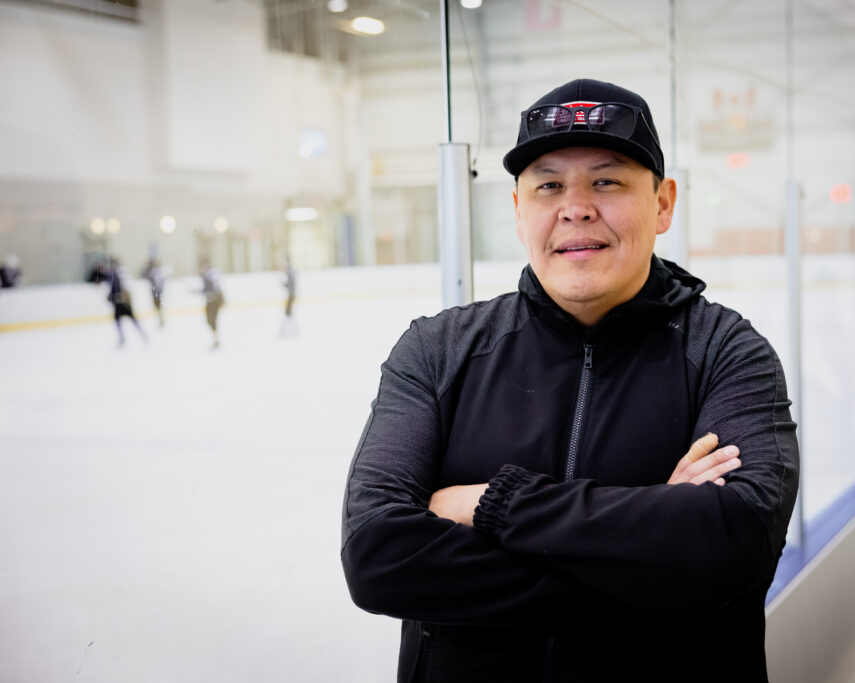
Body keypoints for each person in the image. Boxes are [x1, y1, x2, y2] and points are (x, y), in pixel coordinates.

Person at [341, 79, 800, 682]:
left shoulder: (728, 353)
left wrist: (491, 504)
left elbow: (733, 544)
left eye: (607, 181)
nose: (576, 206)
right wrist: (652, 553)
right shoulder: (437, 350)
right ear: (517, 210)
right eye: (549, 185)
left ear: (663, 203)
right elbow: (379, 557)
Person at [107, 258, 147, 347]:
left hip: (123, 303)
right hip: (120, 303)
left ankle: (141, 335)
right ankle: (124, 337)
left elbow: (125, 289)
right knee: (119, 320)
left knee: (130, 320)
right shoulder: (116, 274)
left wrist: (117, 297)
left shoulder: (119, 274)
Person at [199, 260, 224, 348]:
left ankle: (216, 340)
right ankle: (215, 339)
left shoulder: (207, 276)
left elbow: (209, 290)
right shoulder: (211, 275)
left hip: (212, 302)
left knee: (211, 321)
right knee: (211, 321)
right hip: (213, 302)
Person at [141, 257, 167, 328]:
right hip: (156, 292)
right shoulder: (157, 271)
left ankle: (161, 320)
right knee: (158, 307)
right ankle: (161, 319)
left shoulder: (155, 272)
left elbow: (157, 282)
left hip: (156, 293)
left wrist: (157, 292)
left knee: (158, 307)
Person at [280, 256, 297, 336]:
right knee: (288, 312)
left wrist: (284, 284)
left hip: (291, 295)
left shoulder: (290, 272)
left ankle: (290, 329)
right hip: (291, 295)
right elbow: (291, 284)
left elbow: (290, 284)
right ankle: (290, 329)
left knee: (288, 312)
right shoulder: (291, 272)